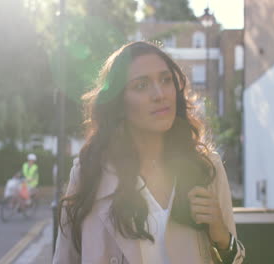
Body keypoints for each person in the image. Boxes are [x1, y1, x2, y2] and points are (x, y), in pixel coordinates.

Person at [53, 41, 245, 264]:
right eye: (141, 86)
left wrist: (222, 237)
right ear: (119, 102)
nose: (159, 94)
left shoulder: (207, 167)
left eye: (166, 80)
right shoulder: (88, 173)